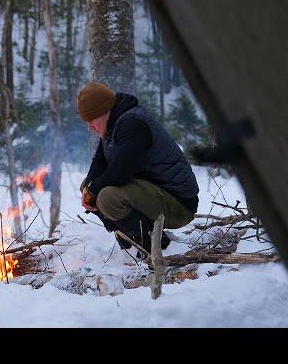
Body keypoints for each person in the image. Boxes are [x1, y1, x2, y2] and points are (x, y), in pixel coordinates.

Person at [77, 81, 199, 254]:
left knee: (107, 197)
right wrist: (88, 188)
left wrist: (94, 190)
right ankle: (127, 233)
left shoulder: (132, 125)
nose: (90, 127)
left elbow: (120, 172)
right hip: (154, 195)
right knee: (89, 187)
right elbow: (100, 162)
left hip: (178, 205)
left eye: (92, 120)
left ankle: (153, 241)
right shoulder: (113, 126)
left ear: (105, 112)